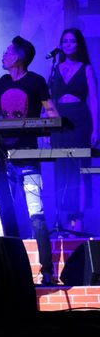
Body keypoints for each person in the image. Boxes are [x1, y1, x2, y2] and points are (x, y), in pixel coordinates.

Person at [0, 36, 58, 283]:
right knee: (0, 214)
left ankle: (47, 272)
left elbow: (51, 113)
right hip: (3, 157)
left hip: (27, 156)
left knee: (35, 214)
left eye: (7, 52)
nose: (4, 55)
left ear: (17, 57)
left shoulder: (36, 81)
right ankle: (1, 271)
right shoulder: (2, 82)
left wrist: (50, 132)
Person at [50, 28, 99, 232]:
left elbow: (94, 99)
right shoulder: (54, 68)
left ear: (78, 44)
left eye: (72, 41)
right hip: (59, 121)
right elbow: (48, 100)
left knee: (78, 168)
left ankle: (77, 219)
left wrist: (96, 128)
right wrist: (47, 125)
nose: (68, 44)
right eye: (65, 41)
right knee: (61, 168)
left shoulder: (86, 68)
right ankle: (63, 218)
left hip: (79, 119)